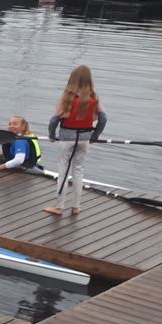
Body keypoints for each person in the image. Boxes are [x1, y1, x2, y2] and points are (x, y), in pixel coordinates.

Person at [44, 66, 107, 216]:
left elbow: (54, 121)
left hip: (66, 139)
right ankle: (76, 207)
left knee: (63, 172)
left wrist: (52, 135)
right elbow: (103, 119)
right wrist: (95, 135)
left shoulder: (67, 97)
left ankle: (59, 207)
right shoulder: (94, 98)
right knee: (78, 171)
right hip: (84, 139)